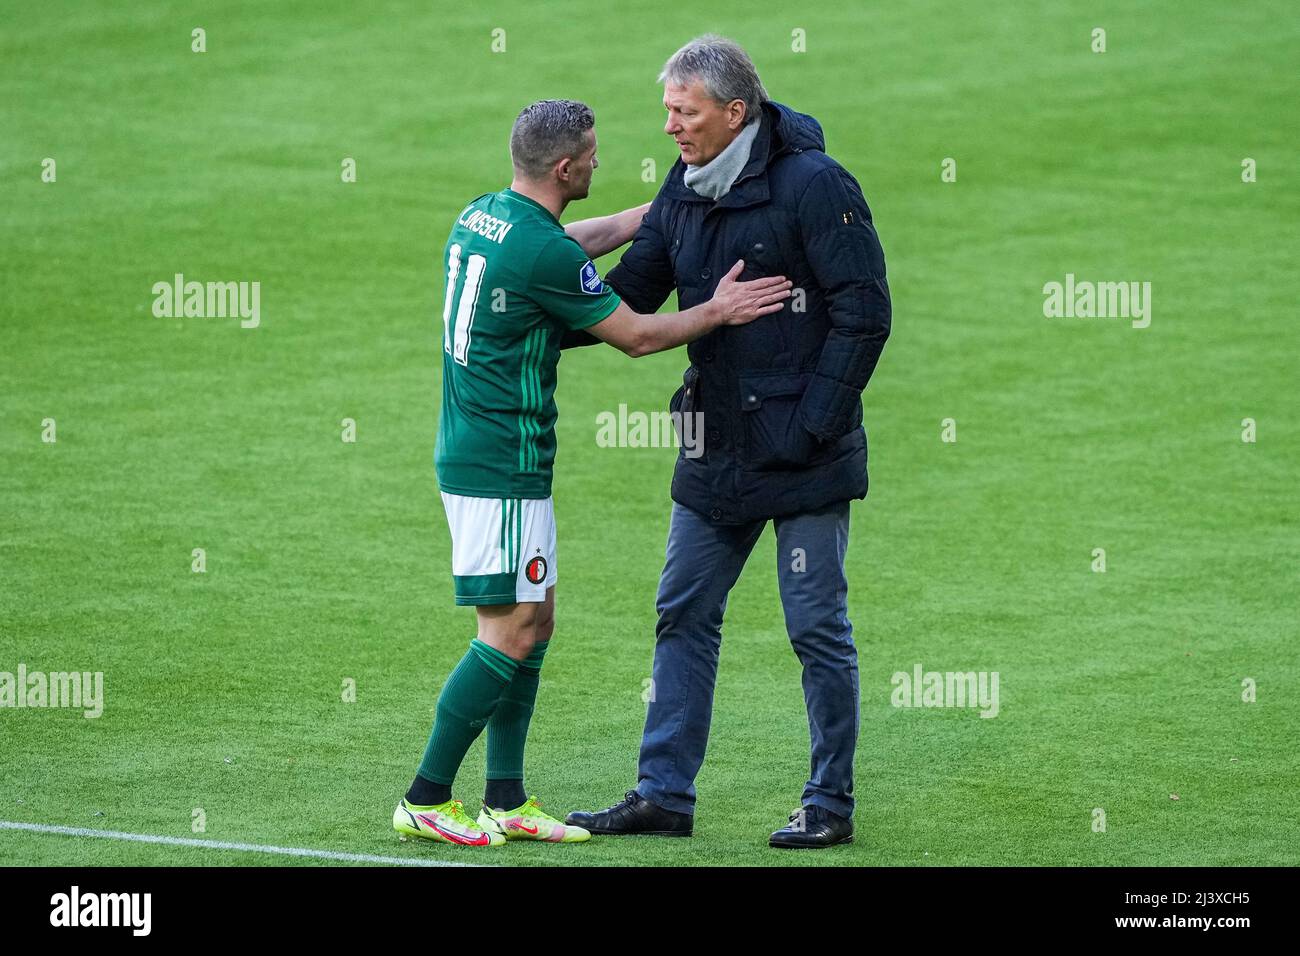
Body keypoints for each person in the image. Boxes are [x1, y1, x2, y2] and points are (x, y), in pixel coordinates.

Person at [394, 98, 791, 847]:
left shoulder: (488, 215)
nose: (599, 164)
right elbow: (637, 337)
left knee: (534, 624)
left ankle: (506, 798)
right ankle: (426, 795)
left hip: (490, 458)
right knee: (507, 631)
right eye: (593, 156)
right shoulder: (539, 253)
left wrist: (668, 201)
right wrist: (719, 309)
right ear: (567, 166)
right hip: (498, 466)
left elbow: (578, 237)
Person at [564, 36, 891, 849]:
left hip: (805, 455)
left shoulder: (816, 186)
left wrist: (812, 424)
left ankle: (829, 803)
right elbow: (633, 298)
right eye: (668, 109)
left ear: (734, 112)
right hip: (717, 445)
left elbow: (865, 312)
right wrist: (531, 299)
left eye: (685, 110)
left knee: (816, 627)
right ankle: (663, 793)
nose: (670, 125)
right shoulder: (684, 188)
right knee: (683, 610)